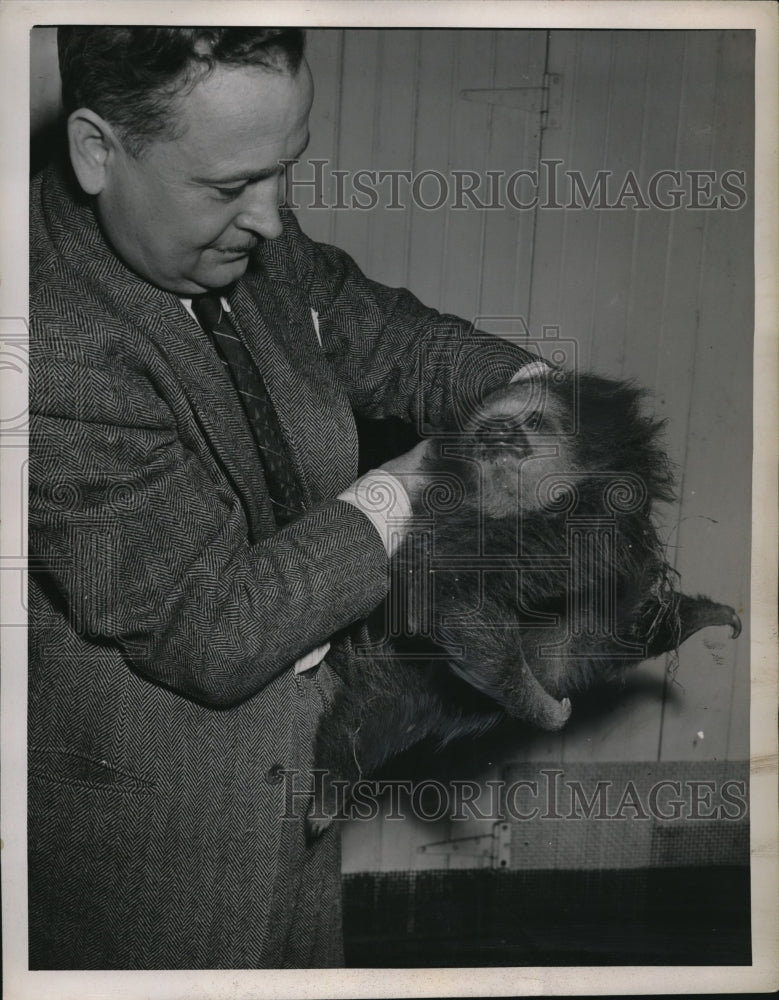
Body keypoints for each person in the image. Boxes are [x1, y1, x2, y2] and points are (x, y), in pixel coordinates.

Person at [28, 26, 541, 969]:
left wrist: (536, 392)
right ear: (97, 150)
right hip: (148, 861)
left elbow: (393, 340)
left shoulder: (242, 228)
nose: (270, 218)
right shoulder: (44, 344)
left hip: (294, 808)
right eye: (228, 187)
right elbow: (215, 632)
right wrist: (427, 476)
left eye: (284, 171)